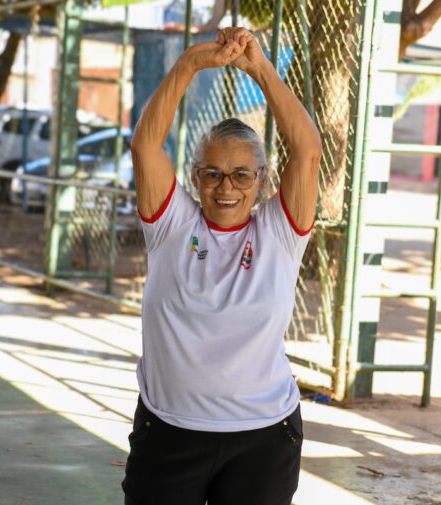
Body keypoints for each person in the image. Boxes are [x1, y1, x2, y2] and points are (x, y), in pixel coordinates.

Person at [123, 27, 322, 505]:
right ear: (195, 177)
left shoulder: (279, 232)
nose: (225, 186)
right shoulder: (172, 224)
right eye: (212, 173)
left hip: (263, 436)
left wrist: (260, 68)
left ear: (260, 181)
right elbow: (146, 148)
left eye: (240, 174)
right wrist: (190, 63)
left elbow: (309, 151)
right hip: (169, 430)